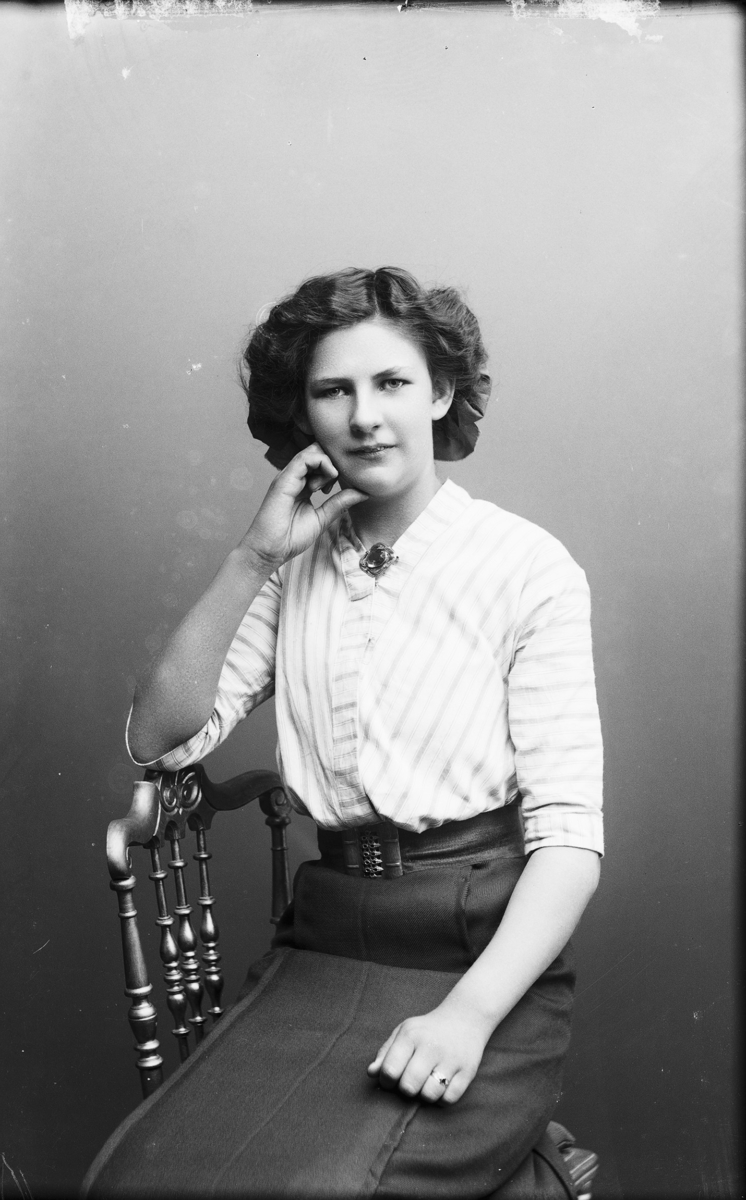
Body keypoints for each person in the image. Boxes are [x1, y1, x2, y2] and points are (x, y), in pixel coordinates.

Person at [83, 267, 603, 1199]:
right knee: (131, 1182)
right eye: (334, 391)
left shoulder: (528, 568)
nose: (365, 417)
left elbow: (568, 842)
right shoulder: (291, 566)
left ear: (439, 392)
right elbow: (158, 740)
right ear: (305, 412)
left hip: (480, 956)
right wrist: (254, 556)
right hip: (324, 944)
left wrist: (467, 1019)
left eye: (392, 383)